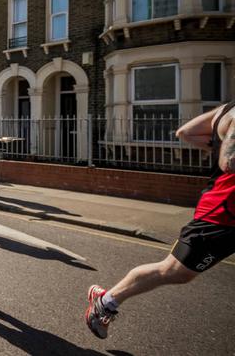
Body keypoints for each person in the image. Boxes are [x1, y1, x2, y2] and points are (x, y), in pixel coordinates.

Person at [85, 101, 235, 340]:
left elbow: (186, 132)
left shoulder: (225, 109)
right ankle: (106, 302)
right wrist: (221, 147)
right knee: (176, 271)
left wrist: (216, 144)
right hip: (222, 214)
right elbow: (229, 162)